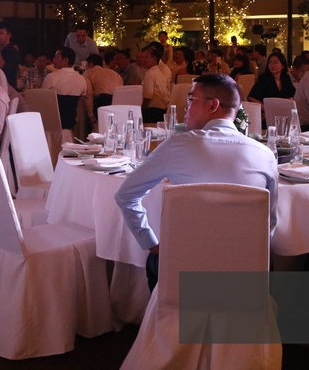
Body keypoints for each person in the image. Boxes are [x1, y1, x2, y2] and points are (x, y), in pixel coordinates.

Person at [115, 74, 278, 290]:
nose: (186, 107)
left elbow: (125, 195)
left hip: (186, 269)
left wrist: (151, 243)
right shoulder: (265, 154)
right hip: (247, 273)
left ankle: (168, 309)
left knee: (155, 261)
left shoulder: (178, 145)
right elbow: (270, 221)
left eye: (191, 100)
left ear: (213, 105)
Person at [43, 47, 87, 130]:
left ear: (66, 60)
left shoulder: (52, 77)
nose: (53, 59)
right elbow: (81, 99)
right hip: (71, 123)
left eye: (57, 57)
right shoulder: (82, 79)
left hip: (51, 124)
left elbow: (42, 98)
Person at [83, 53, 123, 126]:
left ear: (90, 64)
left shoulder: (88, 72)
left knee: (99, 127)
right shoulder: (114, 73)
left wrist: (90, 114)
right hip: (118, 103)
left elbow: (88, 94)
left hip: (102, 102)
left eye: (86, 65)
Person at [140, 44, 171, 123]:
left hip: (152, 112)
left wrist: (141, 110)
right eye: (143, 57)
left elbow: (148, 95)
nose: (143, 60)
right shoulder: (159, 73)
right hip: (163, 111)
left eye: (146, 57)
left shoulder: (150, 73)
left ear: (154, 59)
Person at [0, 21, 21, 90]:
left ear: (9, 35)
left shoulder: (13, 52)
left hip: (8, 88)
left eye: (1, 33)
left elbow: (1, 67)